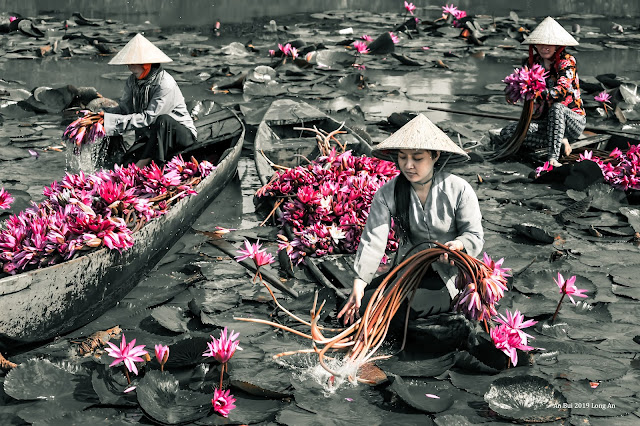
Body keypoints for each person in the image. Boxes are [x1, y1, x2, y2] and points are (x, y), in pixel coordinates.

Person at [337, 114, 484, 327]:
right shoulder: (388, 193)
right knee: (360, 304)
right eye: (403, 157)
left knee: (401, 311)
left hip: (449, 275)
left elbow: (474, 235)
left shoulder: (459, 189)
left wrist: (459, 245)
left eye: (417, 158)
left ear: (435, 156)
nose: (408, 165)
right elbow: (373, 241)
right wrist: (359, 284)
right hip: (410, 270)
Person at [500, 16, 585, 167]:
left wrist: (538, 92)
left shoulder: (567, 61)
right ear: (535, 45)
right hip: (544, 123)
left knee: (557, 108)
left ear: (557, 45)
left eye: (549, 44)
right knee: (507, 133)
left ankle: (553, 156)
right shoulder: (531, 62)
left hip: (572, 120)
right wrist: (512, 91)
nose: (545, 47)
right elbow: (521, 82)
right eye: (541, 43)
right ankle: (561, 138)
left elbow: (562, 91)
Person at [101, 33, 197, 168]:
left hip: (178, 136)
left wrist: (111, 122)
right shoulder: (132, 81)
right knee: (125, 163)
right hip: (150, 137)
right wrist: (103, 116)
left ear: (146, 64)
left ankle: (146, 164)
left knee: (162, 120)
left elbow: (149, 118)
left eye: (133, 63)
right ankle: (138, 163)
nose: (129, 67)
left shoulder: (165, 83)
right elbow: (125, 109)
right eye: (128, 63)